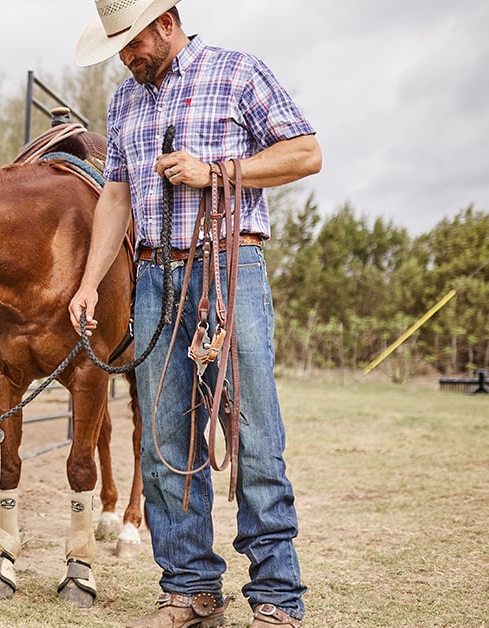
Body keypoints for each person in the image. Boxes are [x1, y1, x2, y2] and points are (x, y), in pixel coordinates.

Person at [67, 2, 321, 627]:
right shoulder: (124, 101)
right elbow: (117, 195)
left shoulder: (237, 72)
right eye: (117, 47)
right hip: (154, 277)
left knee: (254, 435)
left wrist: (217, 172)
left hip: (228, 267)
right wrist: (89, 283)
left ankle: (277, 596)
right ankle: (190, 589)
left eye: (132, 43)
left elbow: (305, 153)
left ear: (166, 21)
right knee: (163, 441)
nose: (127, 57)